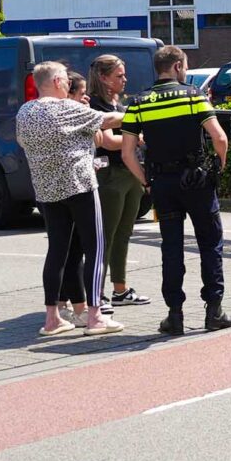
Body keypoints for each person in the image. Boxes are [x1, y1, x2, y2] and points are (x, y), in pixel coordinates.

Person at [122, 44, 231, 335]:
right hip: (197, 182)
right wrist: (219, 166)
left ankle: (175, 316)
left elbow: (127, 153)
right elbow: (219, 138)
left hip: (163, 184)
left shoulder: (138, 102)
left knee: (171, 248)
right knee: (210, 244)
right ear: (177, 67)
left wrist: (146, 180)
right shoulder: (193, 95)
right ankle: (214, 311)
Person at [15, 61, 125, 337]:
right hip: (80, 186)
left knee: (57, 252)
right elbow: (109, 120)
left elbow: (22, 142)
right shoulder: (65, 108)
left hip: (46, 190)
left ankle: (52, 318)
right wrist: (137, 111)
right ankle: (96, 316)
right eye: (64, 79)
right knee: (96, 249)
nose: (67, 84)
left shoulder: (25, 112)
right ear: (55, 82)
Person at [87, 55, 147, 308]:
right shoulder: (95, 105)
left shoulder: (119, 103)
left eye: (124, 75)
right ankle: (97, 295)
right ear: (103, 77)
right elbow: (109, 141)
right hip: (109, 175)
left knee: (124, 233)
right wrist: (138, 139)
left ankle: (120, 290)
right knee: (106, 237)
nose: (125, 80)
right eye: (119, 76)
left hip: (130, 172)